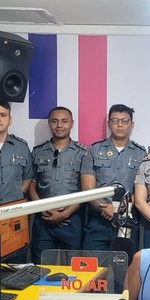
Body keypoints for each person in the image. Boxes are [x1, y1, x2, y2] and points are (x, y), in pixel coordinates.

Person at [81, 104, 147, 250]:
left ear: (132, 124)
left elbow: (140, 191)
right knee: (93, 268)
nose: (119, 125)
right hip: (98, 220)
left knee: (123, 269)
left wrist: (119, 210)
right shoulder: (94, 150)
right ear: (109, 123)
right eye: (115, 120)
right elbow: (87, 188)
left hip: (127, 221)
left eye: (124, 121)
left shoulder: (141, 154)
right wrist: (105, 208)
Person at [28, 106, 87, 263]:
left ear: (72, 124)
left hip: (72, 219)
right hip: (43, 219)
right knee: (41, 268)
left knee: (74, 269)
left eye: (64, 121)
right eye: (55, 121)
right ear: (49, 123)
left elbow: (85, 189)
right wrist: (42, 208)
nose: (59, 125)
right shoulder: (38, 151)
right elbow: (32, 185)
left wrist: (66, 213)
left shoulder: (83, 153)